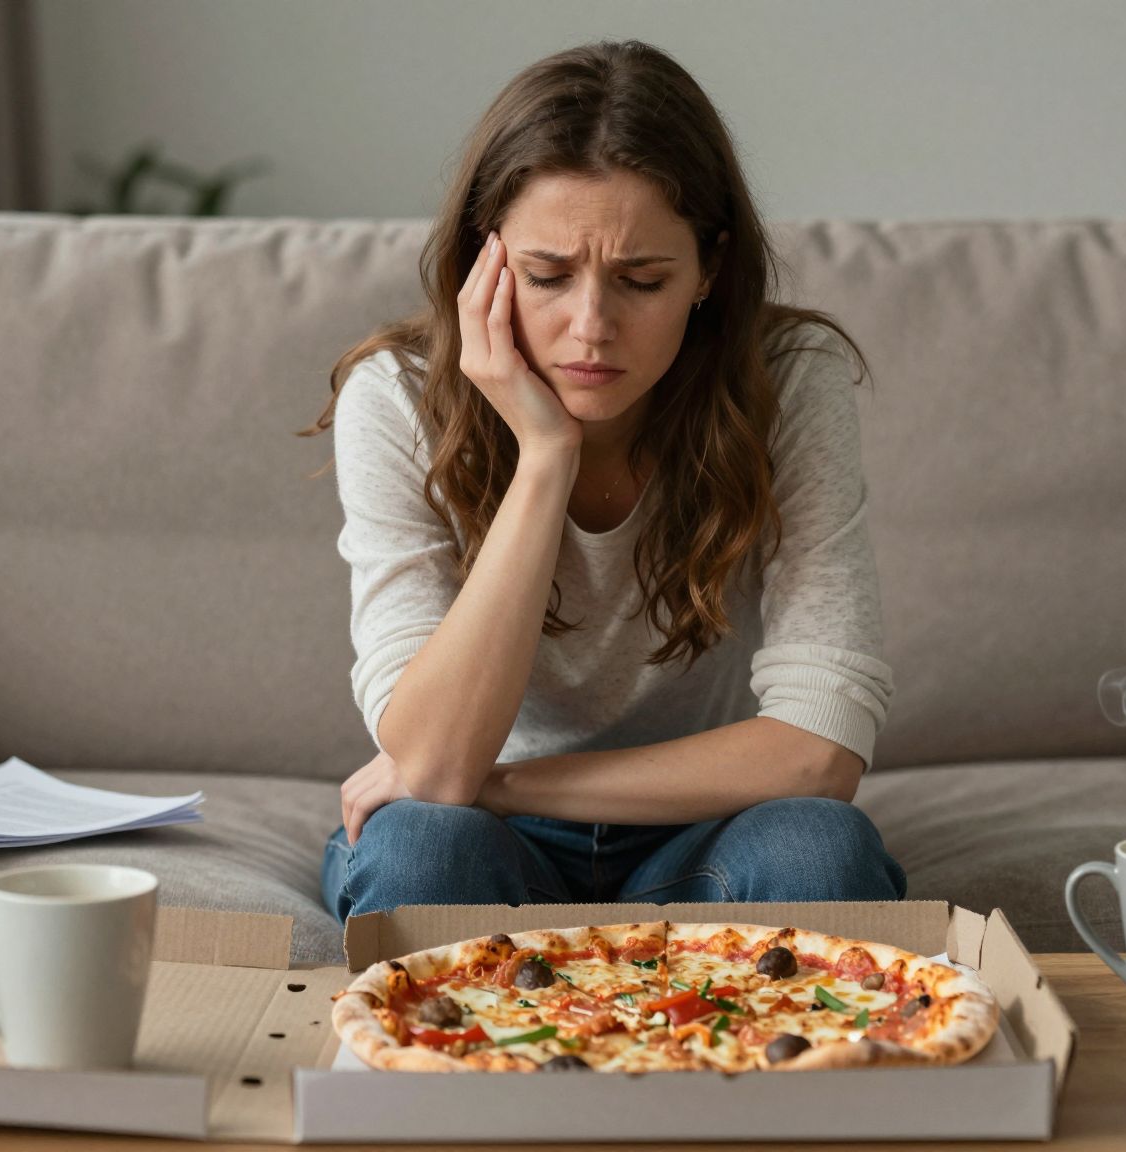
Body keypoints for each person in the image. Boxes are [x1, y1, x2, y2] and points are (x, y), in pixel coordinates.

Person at [300, 39, 905, 920]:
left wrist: (508, 783)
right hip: (476, 833)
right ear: (486, 260)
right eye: (547, 275)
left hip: (701, 819)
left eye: (643, 280)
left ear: (710, 271)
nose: (592, 328)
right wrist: (546, 457)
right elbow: (432, 767)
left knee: (820, 850)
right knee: (424, 849)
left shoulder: (788, 378)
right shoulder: (394, 397)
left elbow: (821, 754)